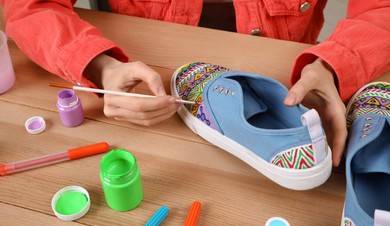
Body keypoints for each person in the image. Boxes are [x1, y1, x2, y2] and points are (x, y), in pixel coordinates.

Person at [1, 1, 389, 168]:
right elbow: (29, 6)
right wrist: (100, 66)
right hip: (148, 54)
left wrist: (336, 64)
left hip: (284, 64)